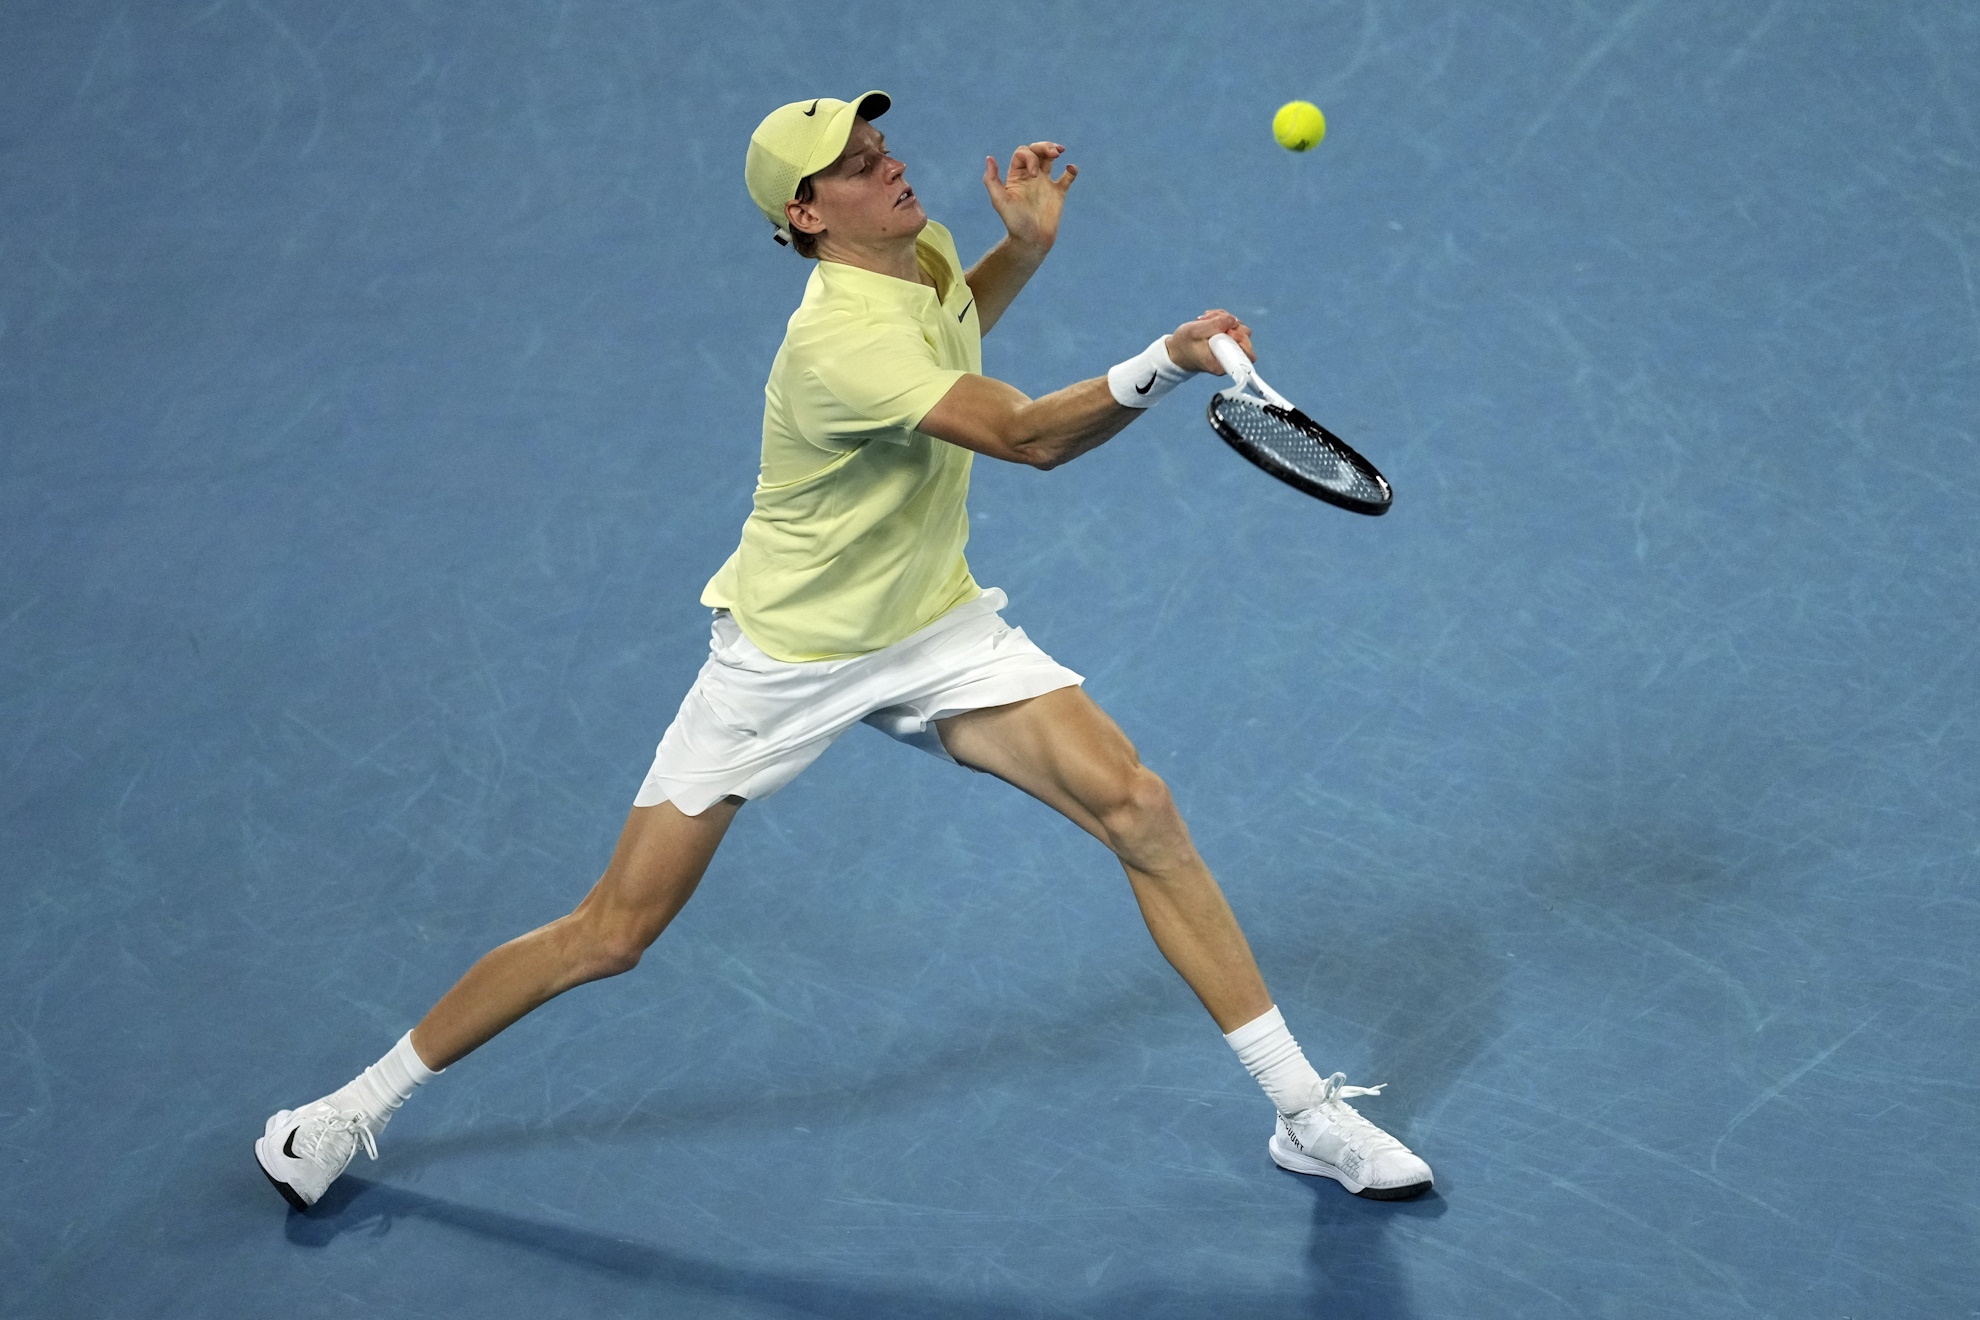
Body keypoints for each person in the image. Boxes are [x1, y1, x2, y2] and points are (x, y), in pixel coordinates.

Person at [254, 90, 1433, 1209]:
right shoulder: (831, 347)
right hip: (791, 658)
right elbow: (1023, 438)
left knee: (1139, 807)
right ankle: (352, 1108)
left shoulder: (914, 258)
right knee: (614, 930)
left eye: (884, 148)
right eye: (860, 168)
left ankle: (1298, 1113)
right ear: (807, 217)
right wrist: (1164, 362)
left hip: (932, 623)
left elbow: (945, 337)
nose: (893, 167)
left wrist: (1017, 253)